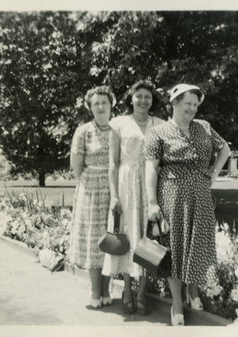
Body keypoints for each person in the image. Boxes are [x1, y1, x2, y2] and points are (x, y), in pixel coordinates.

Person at [145, 83, 230, 326]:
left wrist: (213, 174)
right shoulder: (158, 133)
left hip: (201, 196)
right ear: (174, 104)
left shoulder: (204, 127)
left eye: (195, 104)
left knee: (197, 244)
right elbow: (150, 168)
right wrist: (152, 203)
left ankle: (193, 292)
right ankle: (177, 304)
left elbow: (225, 149)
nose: (192, 108)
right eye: (187, 104)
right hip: (172, 195)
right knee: (175, 247)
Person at [102, 80, 164, 315]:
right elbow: (113, 162)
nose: (143, 101)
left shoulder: (160, 125)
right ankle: (127, 288)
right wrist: (114, 195)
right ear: (131, 98)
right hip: (126, 184)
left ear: (152, 100)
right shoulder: (118, 124)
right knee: (127, 236)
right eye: (139, 96)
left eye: (147, 97)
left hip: (150, 186)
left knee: (149, 238)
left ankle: (142, 292)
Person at [68, 86, 116, 309]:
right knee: (94, 242)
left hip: (114, 189)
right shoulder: (83, 131)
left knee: (111, 239)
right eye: (95, 103)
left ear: (111, 104)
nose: (100, 106)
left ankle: (107, 290)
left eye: (104, 102)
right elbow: (76, 165)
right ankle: (96, 291)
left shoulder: (118, 129)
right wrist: (90, 183)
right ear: (90, 107)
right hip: (91, 190)